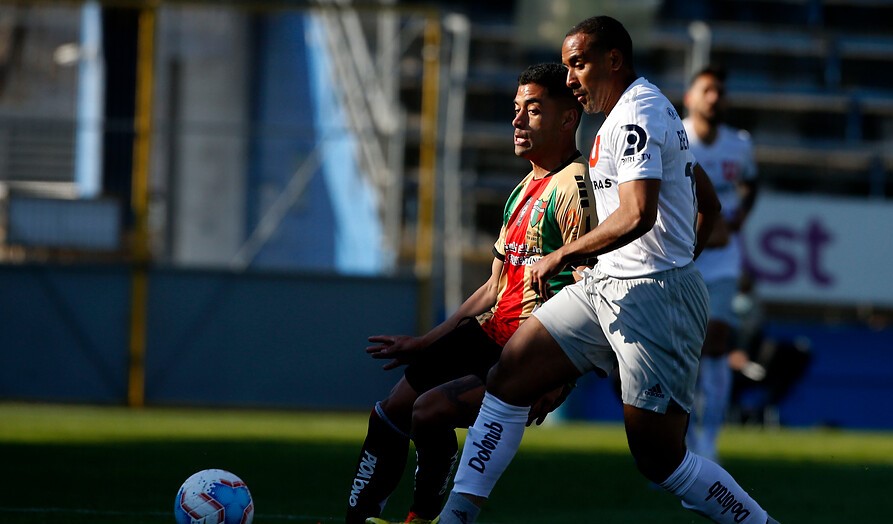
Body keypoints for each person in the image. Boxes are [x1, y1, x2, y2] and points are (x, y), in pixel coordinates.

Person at [436, 16, 779, 524]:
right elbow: (704, 198)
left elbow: (638, 213)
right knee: (510, 374)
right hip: (605, 286)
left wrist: (568, 255)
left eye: (578, 64)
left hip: (652, 299)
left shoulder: (637, 114)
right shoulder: (632, 111)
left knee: (660, 460)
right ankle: (456, 517)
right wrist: (680, 253)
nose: (570, 78)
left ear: (613, 60)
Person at [346, 62, 597, 524]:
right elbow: (493, 286)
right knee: (389, 414)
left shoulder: (574, 188)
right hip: (484, 335)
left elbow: (589, 288)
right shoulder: (524, 187)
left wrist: (559, 378)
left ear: (567, 119)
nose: (518, 120)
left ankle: (420, 519)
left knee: (429, 412)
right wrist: (426, 342)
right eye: (517, 109)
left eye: (534, 110)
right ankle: (356, 519)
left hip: (526, 353)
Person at [683, 65, 759, 462]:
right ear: (689, 98)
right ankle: (681, 438)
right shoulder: (675, 138)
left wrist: (738, 221)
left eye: (720, 91)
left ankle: (708, 440)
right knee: (684, 350)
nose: (714, 97)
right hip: (681, 259)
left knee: (716, 343)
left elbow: (751, 184)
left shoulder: (739, 144)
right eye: (707, 90)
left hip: (723, 263)